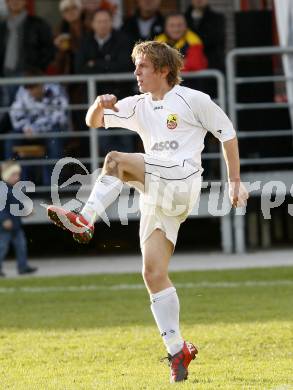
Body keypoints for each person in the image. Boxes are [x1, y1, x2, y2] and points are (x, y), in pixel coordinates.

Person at [46, 41, 249, 383]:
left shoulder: (192, 99)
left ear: (163, 70)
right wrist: (98, 105)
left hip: (183, 180)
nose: (136, 73)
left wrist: (235, 182)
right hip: (157, 193)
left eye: (142, 67)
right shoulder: (138, 105)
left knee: (114, 160)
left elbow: (227, 133)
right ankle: (177, 350)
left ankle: (85, 219)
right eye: (136, 66)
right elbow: (92, 121)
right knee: (153, 273)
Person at [7, 69, 69, 185]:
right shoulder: (23, 91)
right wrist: (26, 127)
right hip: (28, 131)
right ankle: (12, 187)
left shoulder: (56, 90)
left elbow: (59, 117)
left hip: (52, 131)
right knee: (10, 139)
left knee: (55, 140)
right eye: (27, 87)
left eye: (33, 87)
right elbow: (15, 113)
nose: (30, 91)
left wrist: (36, 128)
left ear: (42, 84)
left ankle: (50, 188)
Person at [0, 0, 55, 104]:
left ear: (25, 2)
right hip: (4, 79)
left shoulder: (38, 24)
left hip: (29, 79)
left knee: (27, 112)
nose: (15, 2)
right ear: (6, 2)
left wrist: (36, 72)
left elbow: (49, 50)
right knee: (5, 114)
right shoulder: (2, 27)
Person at [0, 161, 37, 276]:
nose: (18, 177)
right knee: (2, 248)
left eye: (18, 175)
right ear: (6, 176)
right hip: (4, 228)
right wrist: (4, 219)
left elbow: (17, 206)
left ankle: (23, 266)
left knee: (21, 246)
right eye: (14, 175)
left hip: (16, 225)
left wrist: (26, 211)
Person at [184, 0, 225, 73]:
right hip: (187, 66)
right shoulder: (183, 18)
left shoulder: (217, 18)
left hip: (212, 66)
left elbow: (217, 40)